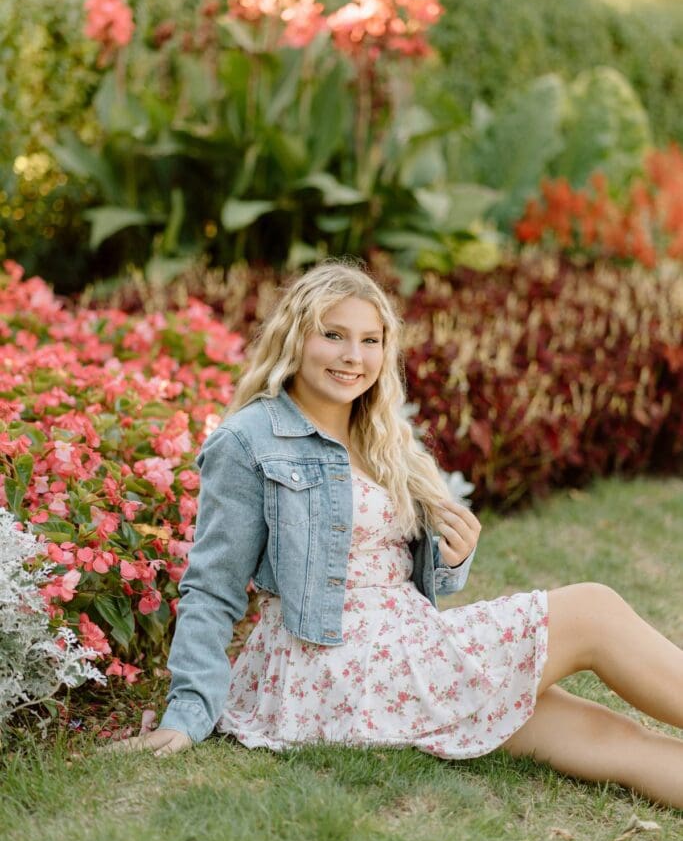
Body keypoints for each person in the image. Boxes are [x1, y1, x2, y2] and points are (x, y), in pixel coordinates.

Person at [117, 260, 683, 808]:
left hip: (407, 645)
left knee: (611, 738)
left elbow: (402, 568)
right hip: (340, 664)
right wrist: (187, 715)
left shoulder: (383, 437)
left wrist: (455, 557)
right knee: (592, 610)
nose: (352, 356)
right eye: (333, 335)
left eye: (370, 340)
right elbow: (212, 586)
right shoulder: (249, 441)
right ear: (295, 338)